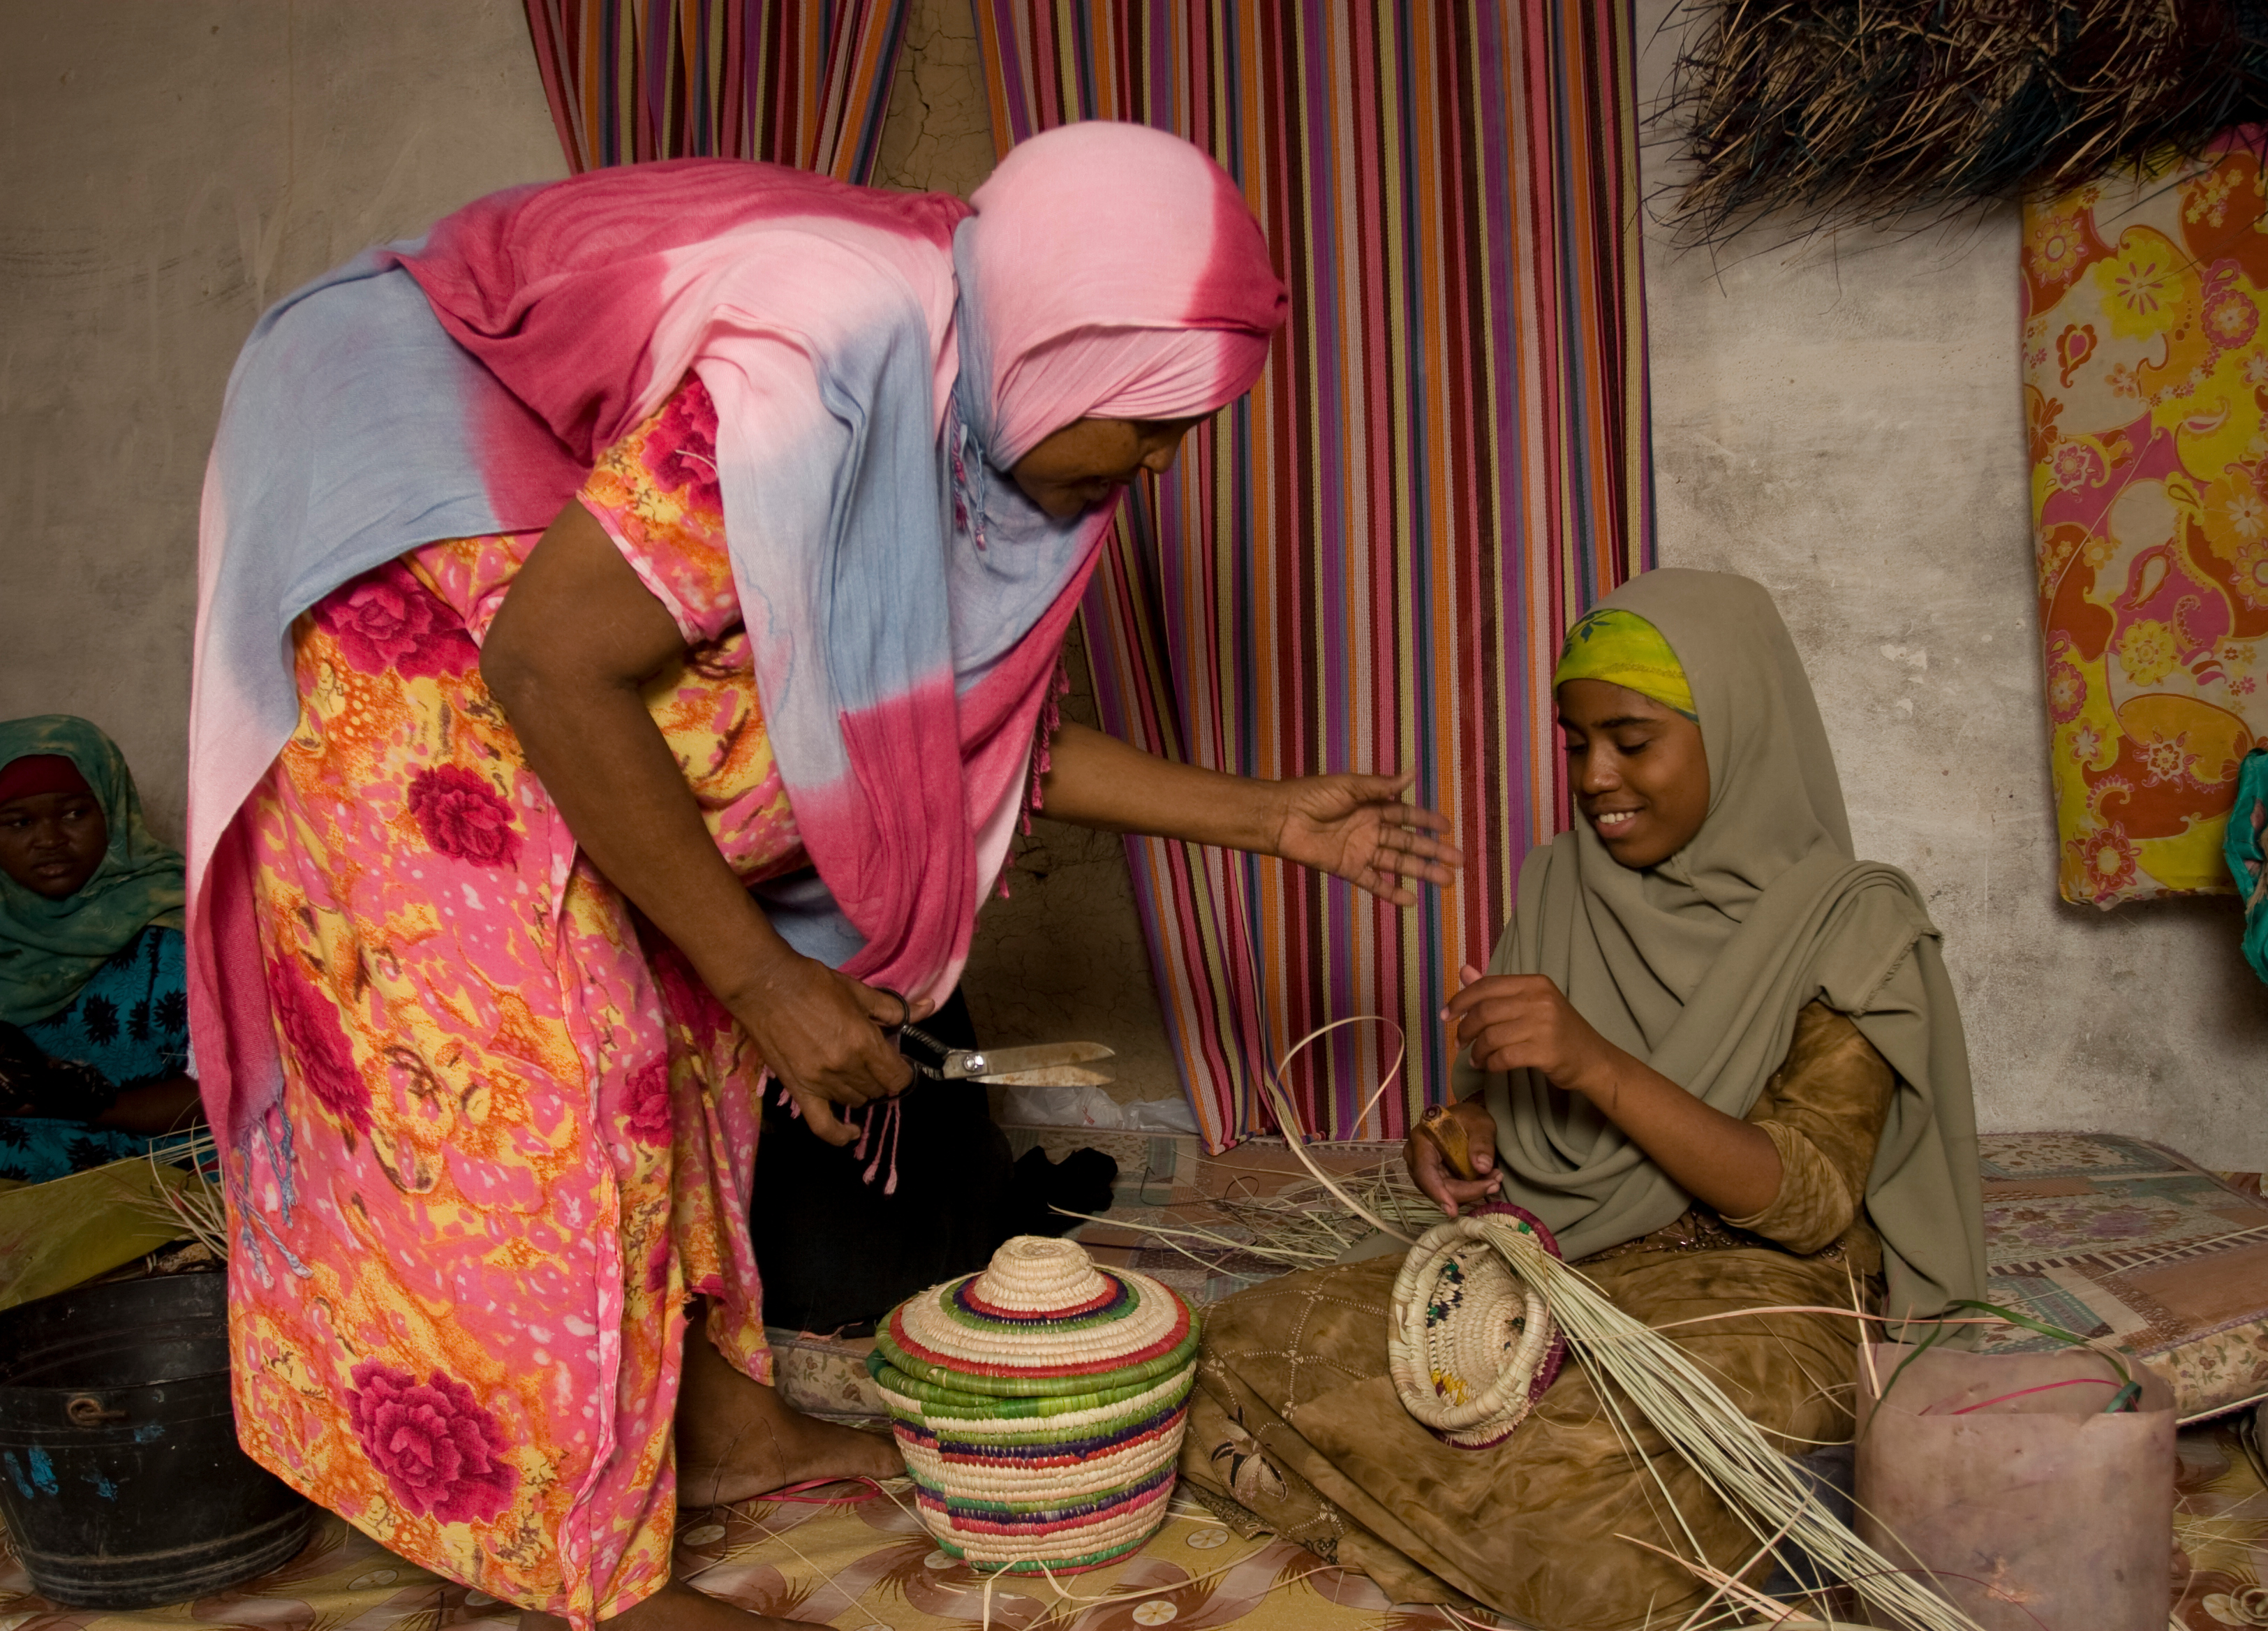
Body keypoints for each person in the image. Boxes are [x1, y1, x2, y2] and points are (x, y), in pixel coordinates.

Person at [187, 124, 1461, 1631]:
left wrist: (1269, 820)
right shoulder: (820, 382)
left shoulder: (959, 379)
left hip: (543, 568)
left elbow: (923, 721)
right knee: (527, 1047)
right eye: (1152, 423)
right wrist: (764, 972)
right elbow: (549, 660)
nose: (1162, 463)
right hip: (408, 511)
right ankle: (573, 1556)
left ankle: (724, 1436)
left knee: (687, 979)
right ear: (1059, 351)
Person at [1178, 570, 1985, 1630]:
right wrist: (1457, 1134)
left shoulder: (1853, 922)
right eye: (1575, 743)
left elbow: (1812, 1201)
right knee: (1230, 1350)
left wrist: (1598, 1063)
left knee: (1594, 1471)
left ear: (1736, 728)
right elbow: (1497, 1107)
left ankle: (1519, 1528)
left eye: (1633, 739)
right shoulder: (1562, 883)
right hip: (1565, 1265)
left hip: (1767, 1294)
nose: (1596, 775)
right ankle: (1584, 1546)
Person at [0, 716, 200, 1180]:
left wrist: (84, 1102)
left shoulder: (178, 930)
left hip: (156, 1169)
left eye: (74, 814)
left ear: (113, 811)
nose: (49, 840)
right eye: (18, 822)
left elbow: (231, 1094)